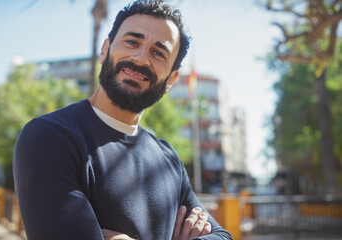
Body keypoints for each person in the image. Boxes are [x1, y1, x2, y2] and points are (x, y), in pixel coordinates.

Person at [13, 0, 233, 239]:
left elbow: (222, 236)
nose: (140, 58)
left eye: (158, 53)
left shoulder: (167, 158)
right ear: (105, 49)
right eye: (132, 42)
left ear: (171, 80)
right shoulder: (49, 137)